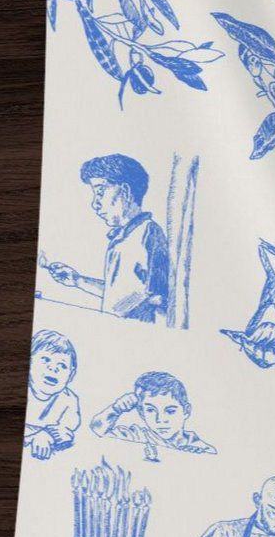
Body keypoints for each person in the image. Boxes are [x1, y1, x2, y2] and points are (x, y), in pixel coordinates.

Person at [43, 154, 170, 322]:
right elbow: (120, 294)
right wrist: (78, 280)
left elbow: (159, 299)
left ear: (125, 191)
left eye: (100, 192)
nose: (95, 204)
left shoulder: (148, 233)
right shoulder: (123, 238)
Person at [90, 370, 216, 460]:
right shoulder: (137, 436)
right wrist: (116, 408)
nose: (160, 420)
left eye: (170, 411)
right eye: (151, 410)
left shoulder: (197, 447)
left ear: (186, 411)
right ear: (141, 413)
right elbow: (97, 429)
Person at [24, 330, 80, 461]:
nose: (54, 368)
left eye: (62, 365)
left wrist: (47, 436)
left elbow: (66, 430)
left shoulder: (68, 400)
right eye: (45, 359)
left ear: (71, 375)